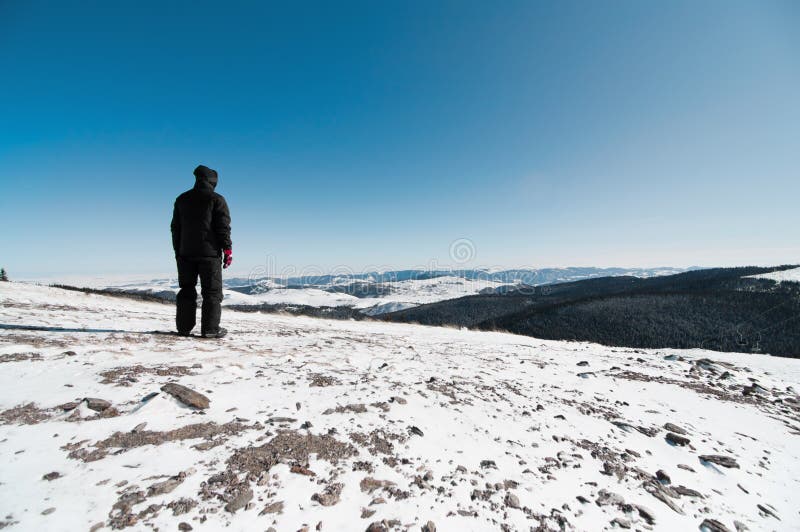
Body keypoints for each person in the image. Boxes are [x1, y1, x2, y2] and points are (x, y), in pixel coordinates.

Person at [170, 164, 232, 338]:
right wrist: (227, 250)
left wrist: (178, 251)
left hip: (185, 254)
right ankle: (210, 330)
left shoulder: (182, 199)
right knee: (212, 292)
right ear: (212, 181)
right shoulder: (217, 199)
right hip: (210, 254)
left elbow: (175, 228)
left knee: (186, 290)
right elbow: (223, 228)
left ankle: (184, 328)